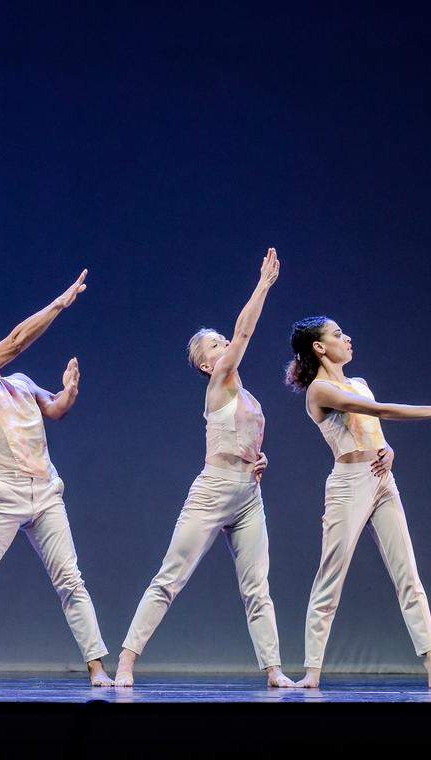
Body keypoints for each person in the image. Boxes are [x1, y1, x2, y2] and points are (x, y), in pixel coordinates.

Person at [116, 249, 293, 688]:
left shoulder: (245, 394)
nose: (225, 346)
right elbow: (245, 330)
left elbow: (245, 439)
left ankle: (273, 670)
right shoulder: (219, 383)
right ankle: (126, 660)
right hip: (213, 491)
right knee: (170, 576)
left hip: (248, 495)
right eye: (216, 345)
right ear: (206, 364)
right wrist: (264, 286)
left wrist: (259, 458)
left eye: (221, 340)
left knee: (257, 587)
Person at [0, 270, 113, 687]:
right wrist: (59, 304)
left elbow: (55, 409)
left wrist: (69, 391)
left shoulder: (20, 382)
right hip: (2, 492)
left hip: (45, 489)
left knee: (70, 578)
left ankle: (98, 667)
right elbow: (15, 342)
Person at [285, 315, 431, 689]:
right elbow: (376, 411)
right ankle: (312, 672)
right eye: (338, 334)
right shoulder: (319, 390)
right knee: (331, 576)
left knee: (407, 573)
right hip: (348, 484)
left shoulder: (358, 382)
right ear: (320, 347)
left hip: (381, 480)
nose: (348, 337)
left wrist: (387, 448)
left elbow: (375, 430)